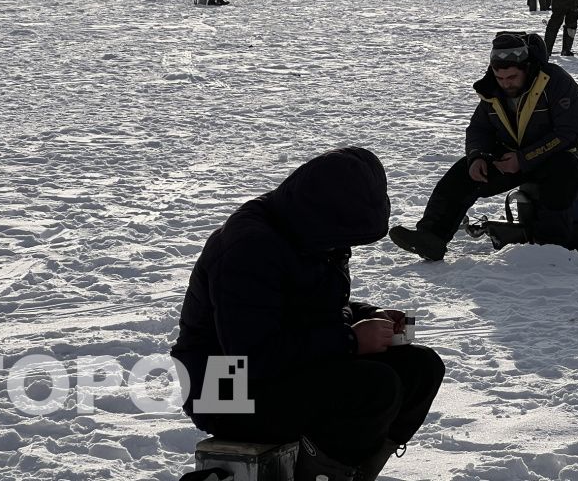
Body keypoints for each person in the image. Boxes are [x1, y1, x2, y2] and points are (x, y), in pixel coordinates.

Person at [172, 147, 444, 481]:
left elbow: (307, 306)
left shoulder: (309, 232)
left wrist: (366, 315)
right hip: (224, 389)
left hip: (274, 369)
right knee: (373, 387)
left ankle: (348, 473)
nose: (347, 247)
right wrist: (350, 341)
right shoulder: (249, 249)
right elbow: (253, 356)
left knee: (420, 368)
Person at [389, 33, 578, 260]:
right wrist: (478, 156)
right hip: (515, 155)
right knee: (462, 173)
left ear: (526, 68)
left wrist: (523, 159)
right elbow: (479, 129)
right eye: (500, 77)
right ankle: (431, 237)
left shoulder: (555, 81)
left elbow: (568, 132)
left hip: (565, 153)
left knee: (560, 176)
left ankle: (550, 250)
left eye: (512, 77)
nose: (506, 83)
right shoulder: (491, 90)